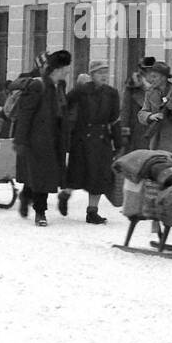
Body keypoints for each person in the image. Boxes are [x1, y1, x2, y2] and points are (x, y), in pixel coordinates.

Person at [12, 49, 72, 227]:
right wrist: (20, 140)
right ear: (56, 69)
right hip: (36, 140)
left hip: (54, 139)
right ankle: (40, 212)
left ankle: (25, 196)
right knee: (41, 176)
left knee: (41, 175)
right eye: (64, 68)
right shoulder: (38, 86)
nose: (67, 71)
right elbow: (25, 115)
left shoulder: (59, 87)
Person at [61, 60, 122, 224]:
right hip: (81, 139)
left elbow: (114, 120)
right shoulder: (81, 91)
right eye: (100, 73)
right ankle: (65, 194)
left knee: (99, 176)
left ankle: (92, 212)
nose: (104, 76)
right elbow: (64, 107)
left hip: (102, 139)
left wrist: (119, 143)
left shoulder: (112, 93)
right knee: (76, 174)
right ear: (92, 75)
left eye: (105, 73)